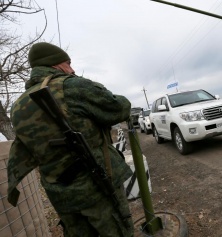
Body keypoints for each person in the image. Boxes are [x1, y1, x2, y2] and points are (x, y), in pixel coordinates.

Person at [7, 42, 134, 236]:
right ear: (56, 65)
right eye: (68, 63)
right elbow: (119, 108)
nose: (72, 69)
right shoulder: (72, 86)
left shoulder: (16, 107)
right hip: (96, 189)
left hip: (60, 194)